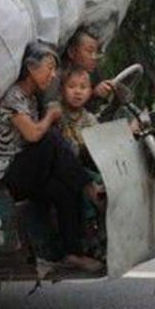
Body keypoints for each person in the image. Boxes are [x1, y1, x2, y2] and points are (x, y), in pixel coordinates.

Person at [0, 41, 104, 273]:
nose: (52, 74)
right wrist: (50, 116)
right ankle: (90, 189)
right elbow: (33, 134)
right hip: (3, 177)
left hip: (23, 171)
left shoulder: (32, 99)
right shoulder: (13, 97)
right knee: (50, 137)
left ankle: (73, 253)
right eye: (49, 67)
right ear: (30, 67)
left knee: (64, 189)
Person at [58, 66, 106, 214]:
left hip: (86, 161)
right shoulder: (57, 112)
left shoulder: (89, 118)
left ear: (90, 92)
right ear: (61, 90)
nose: (77, 91)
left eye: (83, 87)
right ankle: (89, 220)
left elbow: (99, 140)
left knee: (106, 176)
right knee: (88, 180)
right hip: (67, 165)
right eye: (71, 86)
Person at [42, 27, 113, 114]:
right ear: (71, 52)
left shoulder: (93, 74)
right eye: (89, 51)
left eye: (96, 53)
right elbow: (50, 109)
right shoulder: (55, 78)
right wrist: (92, 95)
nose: (94, 57)